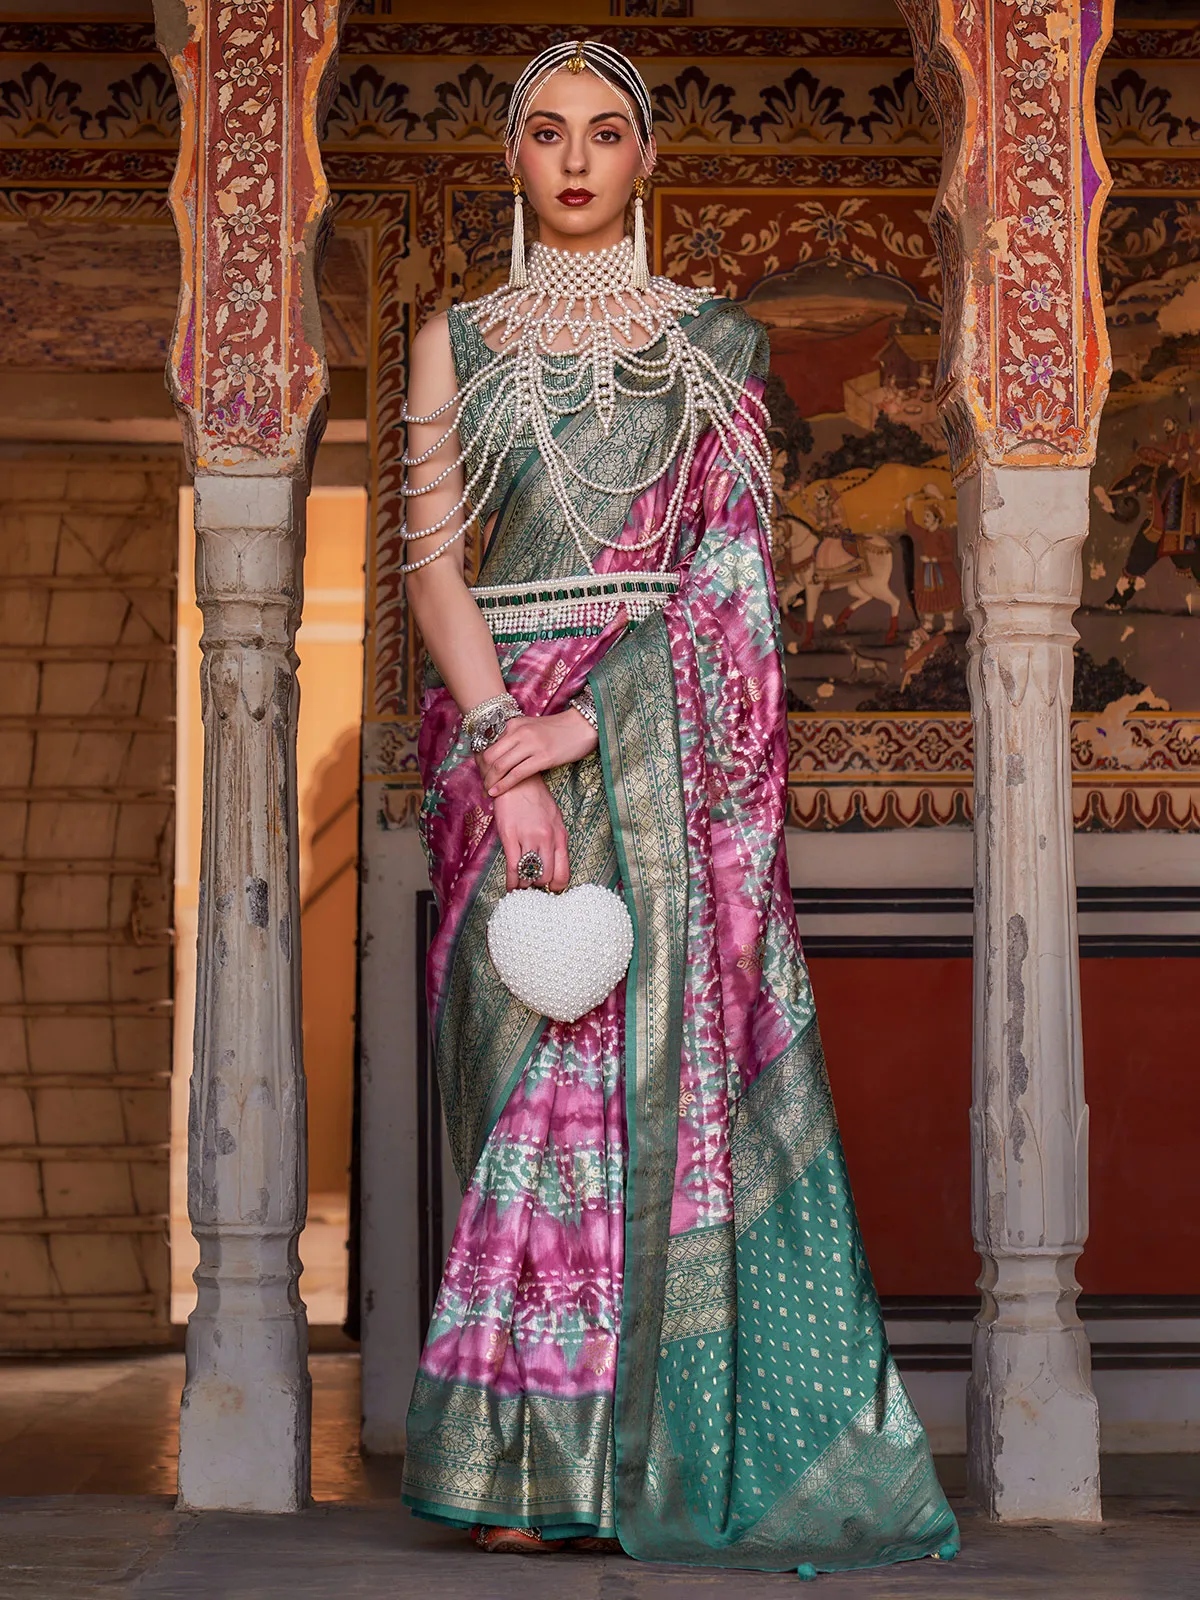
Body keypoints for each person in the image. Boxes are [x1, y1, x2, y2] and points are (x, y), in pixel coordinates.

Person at [397, 38, 959, 1576]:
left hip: (651, 741)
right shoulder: (457, 339)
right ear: (513, 161)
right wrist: (513, 740)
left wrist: (597, 722)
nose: (575, 160)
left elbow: (731, 590)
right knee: (526, 1095)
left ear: (648, 162)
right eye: (547, 136)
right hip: (495, 748)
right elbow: (435, 569)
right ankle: (516, 1459)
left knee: (634, 1099)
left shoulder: (716, 342)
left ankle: (626, 1456)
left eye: (606, 135)